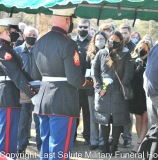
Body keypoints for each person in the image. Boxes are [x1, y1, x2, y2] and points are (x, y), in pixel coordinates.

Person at [32, 8, 93, 159]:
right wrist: (89, 83)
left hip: (43, 99)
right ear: (68, 20)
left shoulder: (40, 42)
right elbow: (74, 79)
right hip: (63, 100)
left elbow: (35, 75)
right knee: (60, 149)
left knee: (45, 147)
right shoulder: (69, 44)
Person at [91, 31, 134, 155]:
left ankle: (114, 146)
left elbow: (128, 73)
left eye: (116, 40)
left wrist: (122, 87)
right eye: (111, 39)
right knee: (104, 119)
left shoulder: (126, 55)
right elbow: (95, 72)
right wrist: (99, 88)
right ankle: (104, 146)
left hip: (118, 91)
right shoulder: (101, 53)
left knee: (117, 120)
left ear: (121, 41)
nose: (113, 42)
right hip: (103, 92)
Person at [0, 17, 36, 158]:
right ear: (6, 31)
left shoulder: (8, 49)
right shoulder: (4, 51)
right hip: (7, 95)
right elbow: (16, 74)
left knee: (11, 133)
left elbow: (22, 73)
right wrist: (33, 93)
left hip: (11, 94)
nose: (18, 34)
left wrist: (35, 85)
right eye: (15, 31)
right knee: (7, 134)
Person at [14, 26, 41, 153]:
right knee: (23, 119)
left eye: (35, 36)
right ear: (24, 36)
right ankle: (21, 145)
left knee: (39, 119)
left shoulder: (41, 50)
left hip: (38, 88)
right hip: (23, 89)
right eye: (30, 35)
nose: (32, 37)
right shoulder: (17, 51)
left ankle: (41, 145)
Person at [86, 31, 107, 150]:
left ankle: (102, 141)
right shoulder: (89, 54)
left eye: (101, 38)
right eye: (97, 39)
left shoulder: (109, 53)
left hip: (104, 89)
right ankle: (93, 141)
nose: (99, 41)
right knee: (93, 115)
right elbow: (86, 70)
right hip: (91, 88)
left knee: (103, 116)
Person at [129, 39, 151, 153]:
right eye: (141, 48)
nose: (142, 50)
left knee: (146, 118)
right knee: (138, 118)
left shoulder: (151, 61)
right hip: (136, 94)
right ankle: (140, 141)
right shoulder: (133, 61)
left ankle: (138, 145)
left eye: (145, 48)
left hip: (147, 94)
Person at [72, 18, 91, 144]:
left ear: (89, 28)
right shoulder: (72, 42)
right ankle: (72, 135)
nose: (82, 29)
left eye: (85, 27)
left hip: (89, 83)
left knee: (87, 111)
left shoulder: (92, 43)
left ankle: (88, 135)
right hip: (75, 83)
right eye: (80, 27)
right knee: (74, 111)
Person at [119, 23, 136, 148]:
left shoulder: (134, 47)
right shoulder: (116, 47)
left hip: (129, 84)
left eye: (125, 33)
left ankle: (127, 137)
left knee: (127, 113)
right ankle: (116, 136)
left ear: (130, 33)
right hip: (116, 84)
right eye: (121, 33)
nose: (123, 35)